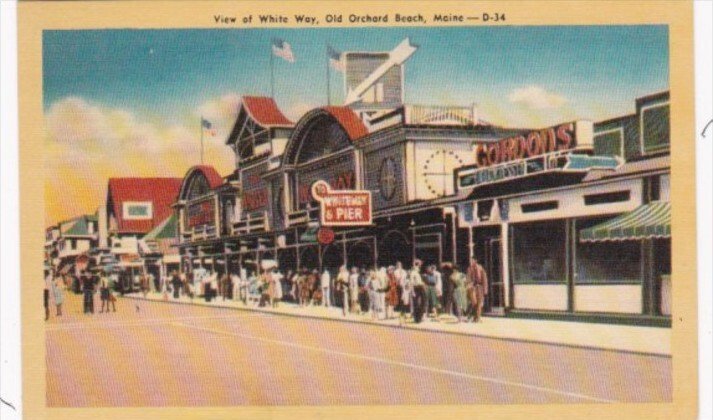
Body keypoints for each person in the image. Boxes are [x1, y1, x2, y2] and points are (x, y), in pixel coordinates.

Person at [466, 256, 489, 322]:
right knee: (474, 302)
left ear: (475, 260)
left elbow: (484, 279)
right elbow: (468, 278)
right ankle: (472, 316)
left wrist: (485, 289)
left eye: (472, 260)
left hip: (479, 287)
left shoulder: (481, 268)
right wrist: (468, 287)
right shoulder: (469, 269)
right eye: (471, 260)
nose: (471, 261)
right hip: (472, 287)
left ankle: (477, 318)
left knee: (479, 303)